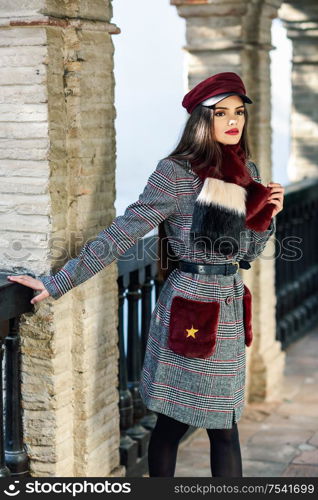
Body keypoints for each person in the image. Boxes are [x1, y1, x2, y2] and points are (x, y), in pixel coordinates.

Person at [7, 72, 284, 477]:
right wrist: (57, 282)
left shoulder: (247, 172)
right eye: (221, 112)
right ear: (200, 120)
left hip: (227, 304)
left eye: (239, 112)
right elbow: (123, 232)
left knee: (225, 426)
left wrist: (269, 218)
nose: (233, 121)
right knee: (171, 423)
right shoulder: (176, 173)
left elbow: (246, 255)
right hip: (190, 305)